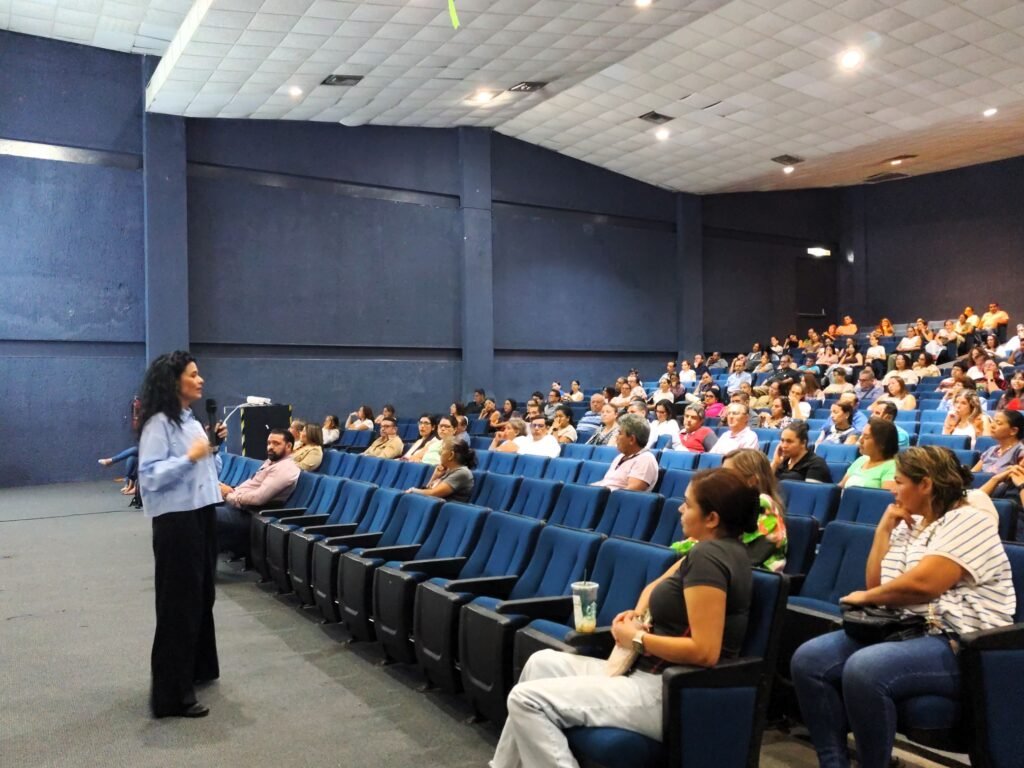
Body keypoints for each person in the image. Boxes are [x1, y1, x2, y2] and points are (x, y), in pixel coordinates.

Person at [492, 468, 757, 768]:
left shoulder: (709, 559)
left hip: (666, 691)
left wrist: (637, 638)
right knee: (541, 662)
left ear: (712, 519)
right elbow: (654, 587)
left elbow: (705, 651)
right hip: (645, 676)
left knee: (526, 700)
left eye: (688, 503)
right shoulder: (708, 549)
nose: (680, 508)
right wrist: (638, 614)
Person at [791, 446, 1015, 768]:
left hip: (958, 640)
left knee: (865, 669)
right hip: (902, 628)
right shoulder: (912, 521)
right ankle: (834, 763)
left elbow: (926, 584)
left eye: (899, 481)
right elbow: (877, 582)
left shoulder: (970, 519)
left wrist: (869, 598)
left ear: (925, 484)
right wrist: (883, 529)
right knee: (809, 660)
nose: (892, 489)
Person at [137, 351, 227, 719]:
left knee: (202, 596)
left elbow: (208, 468)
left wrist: (212, 448)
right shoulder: (159, 423)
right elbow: (150, 476)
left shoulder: (189, 421)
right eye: (193, 374)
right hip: (177, 522)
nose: (201, 379)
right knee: (178, 606)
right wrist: (190, 457)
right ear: (175, 382)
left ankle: (198, 669)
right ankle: (171, 696)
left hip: (202, 513)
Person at [216, 429, 300, 555]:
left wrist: (228, 494)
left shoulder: (286, 469)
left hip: (250, 514)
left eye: (276, 443)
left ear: (289, 446)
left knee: (203, 515)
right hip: (237, 506)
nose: (270, 447)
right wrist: (229, 490)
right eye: (269, 443)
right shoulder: (271, 463)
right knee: (197, 507)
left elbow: (258, 498)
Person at [721, 449, 788, 572]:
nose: (720, 480)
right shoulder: (734, 502)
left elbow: (743, 555)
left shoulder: (763, 504)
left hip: (755, 578)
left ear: (751, 481)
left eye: (728, 475)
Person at [592, 414, 659, 491]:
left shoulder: (645, 459)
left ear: (632, 439)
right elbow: (606, 483)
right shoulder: (620, 457)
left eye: (620, 433)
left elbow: (629, 493)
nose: (616, 437)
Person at [406, 437, 476, 503]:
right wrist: (435, 476)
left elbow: (433, 493)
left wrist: (413, 490)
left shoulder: (462, 473)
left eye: (442, 450)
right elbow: (428, 491)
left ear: (451, 455)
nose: (440, 453)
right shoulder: (448, 470)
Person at [839, 417, 898, 490]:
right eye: (861, 435)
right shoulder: (861, 460)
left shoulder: (893, 467)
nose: (860, 440)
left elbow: (886, 498)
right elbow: (841, 487)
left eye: (866, 437)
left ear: (882, 443)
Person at [972, 410, 1024, 474]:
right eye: (993, 421)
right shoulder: (991, 450)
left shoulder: (1020, 452)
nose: (992, 426)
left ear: (1013, 431)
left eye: (998, 423)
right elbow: (972, 474)